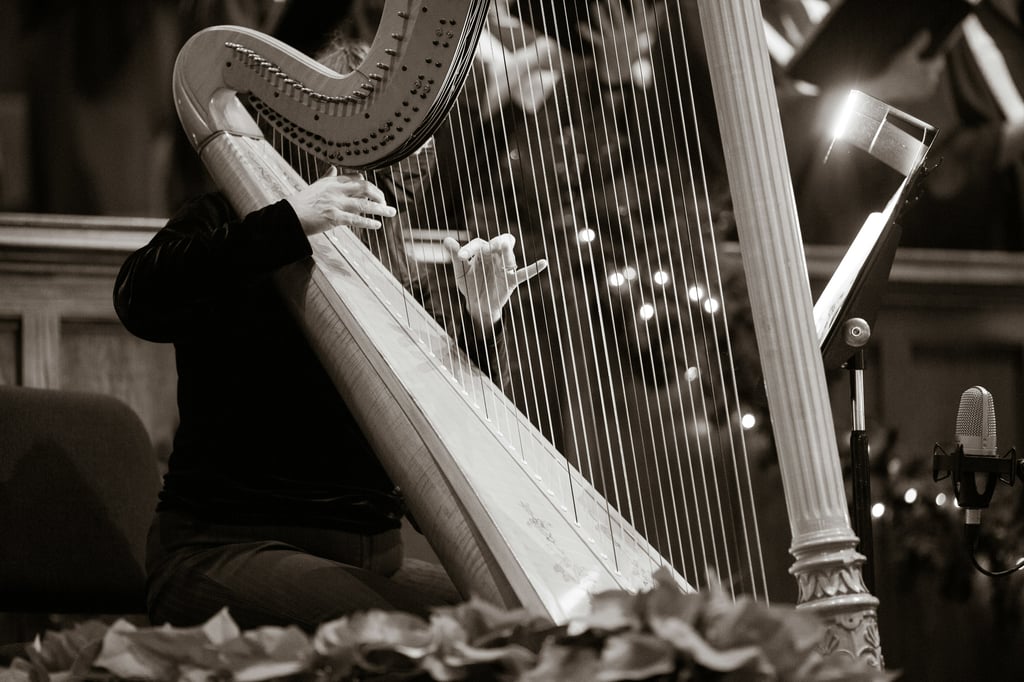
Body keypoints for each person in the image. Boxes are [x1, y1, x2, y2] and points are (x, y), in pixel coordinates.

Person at [114, 34, 548, 632]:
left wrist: (477, 321)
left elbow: (441, 456)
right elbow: (138, 298)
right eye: (385, 146)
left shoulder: (382, 271)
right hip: (224, 551)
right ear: (316, 137)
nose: (404, 166)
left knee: (541, 627)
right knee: (452, 639)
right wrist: (289, 221)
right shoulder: (228, 221)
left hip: (369, 565)